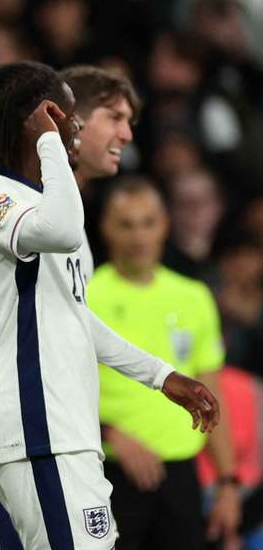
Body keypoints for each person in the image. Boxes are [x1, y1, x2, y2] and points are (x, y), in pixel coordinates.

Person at [0, 61, 218, 549]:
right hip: (32, 425)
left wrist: (161, 376)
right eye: (66, 120)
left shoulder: (38, 200)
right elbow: (62, 230)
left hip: (63, 428)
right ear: (38, 121)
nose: (73, 132)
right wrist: (49, 141)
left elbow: (73, 319)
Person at [0, 65, 142, 550]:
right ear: (56, 115)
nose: (124, 131)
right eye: (111, 116)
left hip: (24, 420)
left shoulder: (49, 198)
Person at [90, 177, 240, 549]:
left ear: (165, 225)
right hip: (107, 471)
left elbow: (211, 391)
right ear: (105, 228)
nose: (138, 236)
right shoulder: (85, 295)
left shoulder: (194, 296)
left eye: (148, 222)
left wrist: (227, 483)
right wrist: (111, 436)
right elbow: (55, 389)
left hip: (179, 476)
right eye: (126, 224)